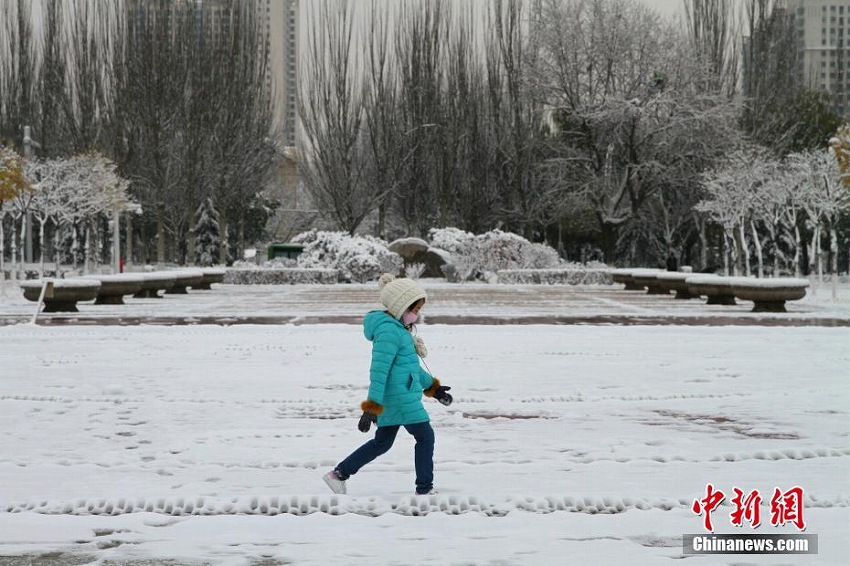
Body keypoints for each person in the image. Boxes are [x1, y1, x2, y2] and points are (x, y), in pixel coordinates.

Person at [323, 274, 453, 496]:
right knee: (425, 436)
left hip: (399, 398)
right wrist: (371, 408)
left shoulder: (398, 330)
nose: (417, 315)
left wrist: (434, 388)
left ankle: (339, 474)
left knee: (382, 443)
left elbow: (410, 369)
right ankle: (424, 489)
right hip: (400, 399)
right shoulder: (389, 332)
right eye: (415, 310)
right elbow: (379, 373)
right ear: (401, 306)